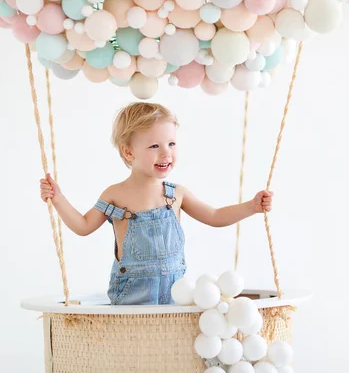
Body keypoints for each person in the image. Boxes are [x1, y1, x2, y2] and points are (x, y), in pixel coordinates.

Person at [39, 102, 273, 305]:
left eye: (171, 144)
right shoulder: (114, 195)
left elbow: (214, 216)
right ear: (128, 152)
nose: (166, 153)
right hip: (131, 297)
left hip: (175, 295)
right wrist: (58, 199)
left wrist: (251, 207)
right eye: (154, 146)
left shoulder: (176, 194)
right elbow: (83, 226)